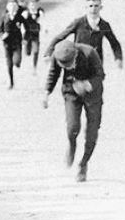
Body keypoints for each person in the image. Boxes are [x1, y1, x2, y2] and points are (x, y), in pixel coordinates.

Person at [43, 41, 105, 182]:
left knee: (92, 132)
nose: (69, 67)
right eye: (65, 66)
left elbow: (100, 74)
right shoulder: (58, 55)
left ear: (76, 54)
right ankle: (71, 145)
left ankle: (83, 164)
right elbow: (54, 74)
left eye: (70, 64)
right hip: (71, 92)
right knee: (72, 127)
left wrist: (88, 83)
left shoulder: (89, 53)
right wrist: (46, 93)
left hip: (92, 93)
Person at [0, 0, 26, 89]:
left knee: (16, 61)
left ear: (17, 8)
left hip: (17, 43)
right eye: (10, 7)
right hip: (7, 44)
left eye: (14, 7)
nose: (12, 9)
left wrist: (26, 38)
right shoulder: (4, 17)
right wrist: (2, 36)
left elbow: (27, 28)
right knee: (9, 65)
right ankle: (11, 82)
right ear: (7, 8)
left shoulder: (20, 17)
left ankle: (17, 63)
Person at [23, 0, 45, 69]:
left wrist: (45, 29)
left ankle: (34, 66)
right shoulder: (26, 13)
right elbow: (21, 22)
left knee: (36, 51)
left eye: (35, 4)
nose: (33, 6)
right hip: (27, 34)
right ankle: (27, 50)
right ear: (29, 5)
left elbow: (43, 21)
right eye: (32, 5)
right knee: (28, 52)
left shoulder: (39, 12)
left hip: (35, 34)